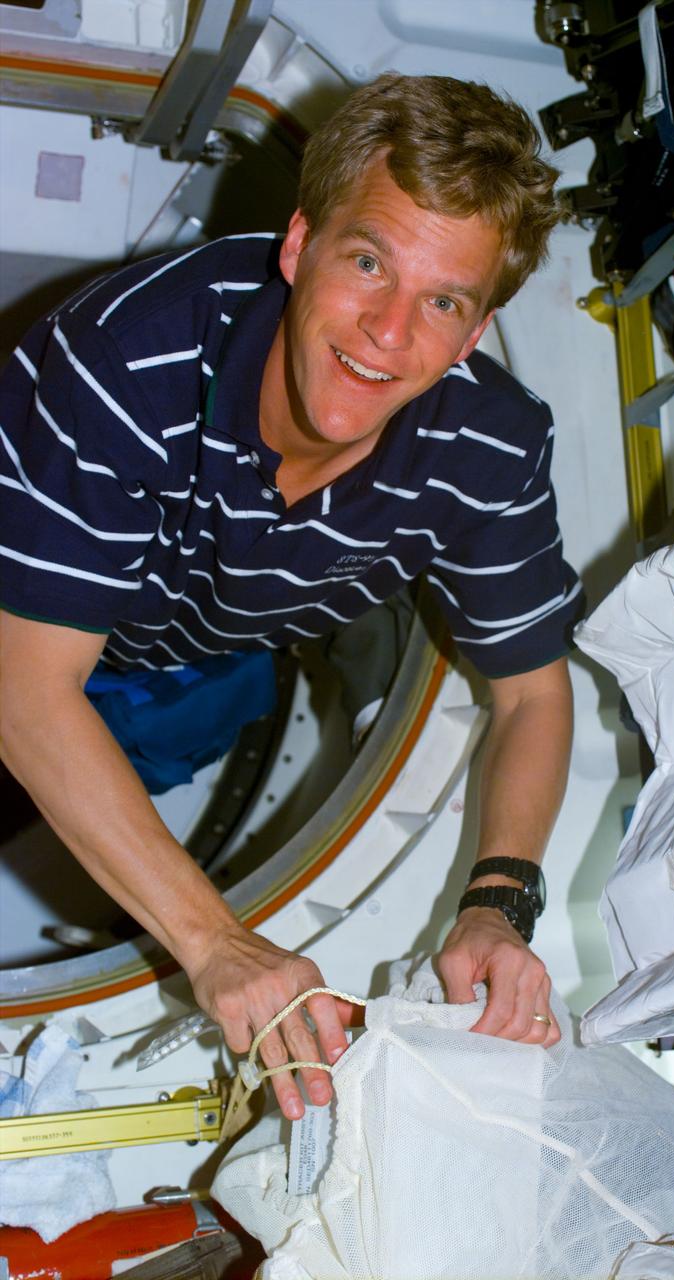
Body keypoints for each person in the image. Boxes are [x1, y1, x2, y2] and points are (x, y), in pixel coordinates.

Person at [0, 73, 582, 1120]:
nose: (387, 331)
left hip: (191, 656)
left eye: (441, 301)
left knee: (180, 729)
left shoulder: (488, 450)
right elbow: (27, 693)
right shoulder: (128, 360)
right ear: (299, 244)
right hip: (22, 614)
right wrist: (216, 942)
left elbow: (532, 692)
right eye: (368, 262)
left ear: (473, 333)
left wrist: (497, 908)